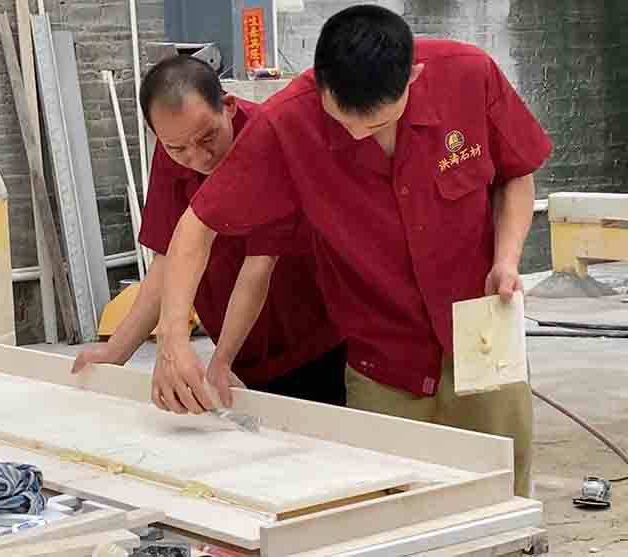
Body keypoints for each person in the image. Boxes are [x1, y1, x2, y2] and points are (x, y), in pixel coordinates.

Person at [152, 6, 550, 497]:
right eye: (345, 123)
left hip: (483, 329)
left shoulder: (469, 75)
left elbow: (516, 174)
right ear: (319, 83)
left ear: (413, 77)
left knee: (503, 494)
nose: (362, 135)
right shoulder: (286, 124)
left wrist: (506, 259)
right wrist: (173, 338)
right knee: (389, 505)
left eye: (380, 121)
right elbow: (196, 226)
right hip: (382, 356)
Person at [72, 55, 347, 407]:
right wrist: (116, 351)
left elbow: (258, 267)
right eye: (177, 148)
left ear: (228, 106)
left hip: (309, 341)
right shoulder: (175, 146)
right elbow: (167, 260)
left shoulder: (268, 139)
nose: (199, 157)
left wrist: (221, 359)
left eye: (208, 138)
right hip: (239, 351)